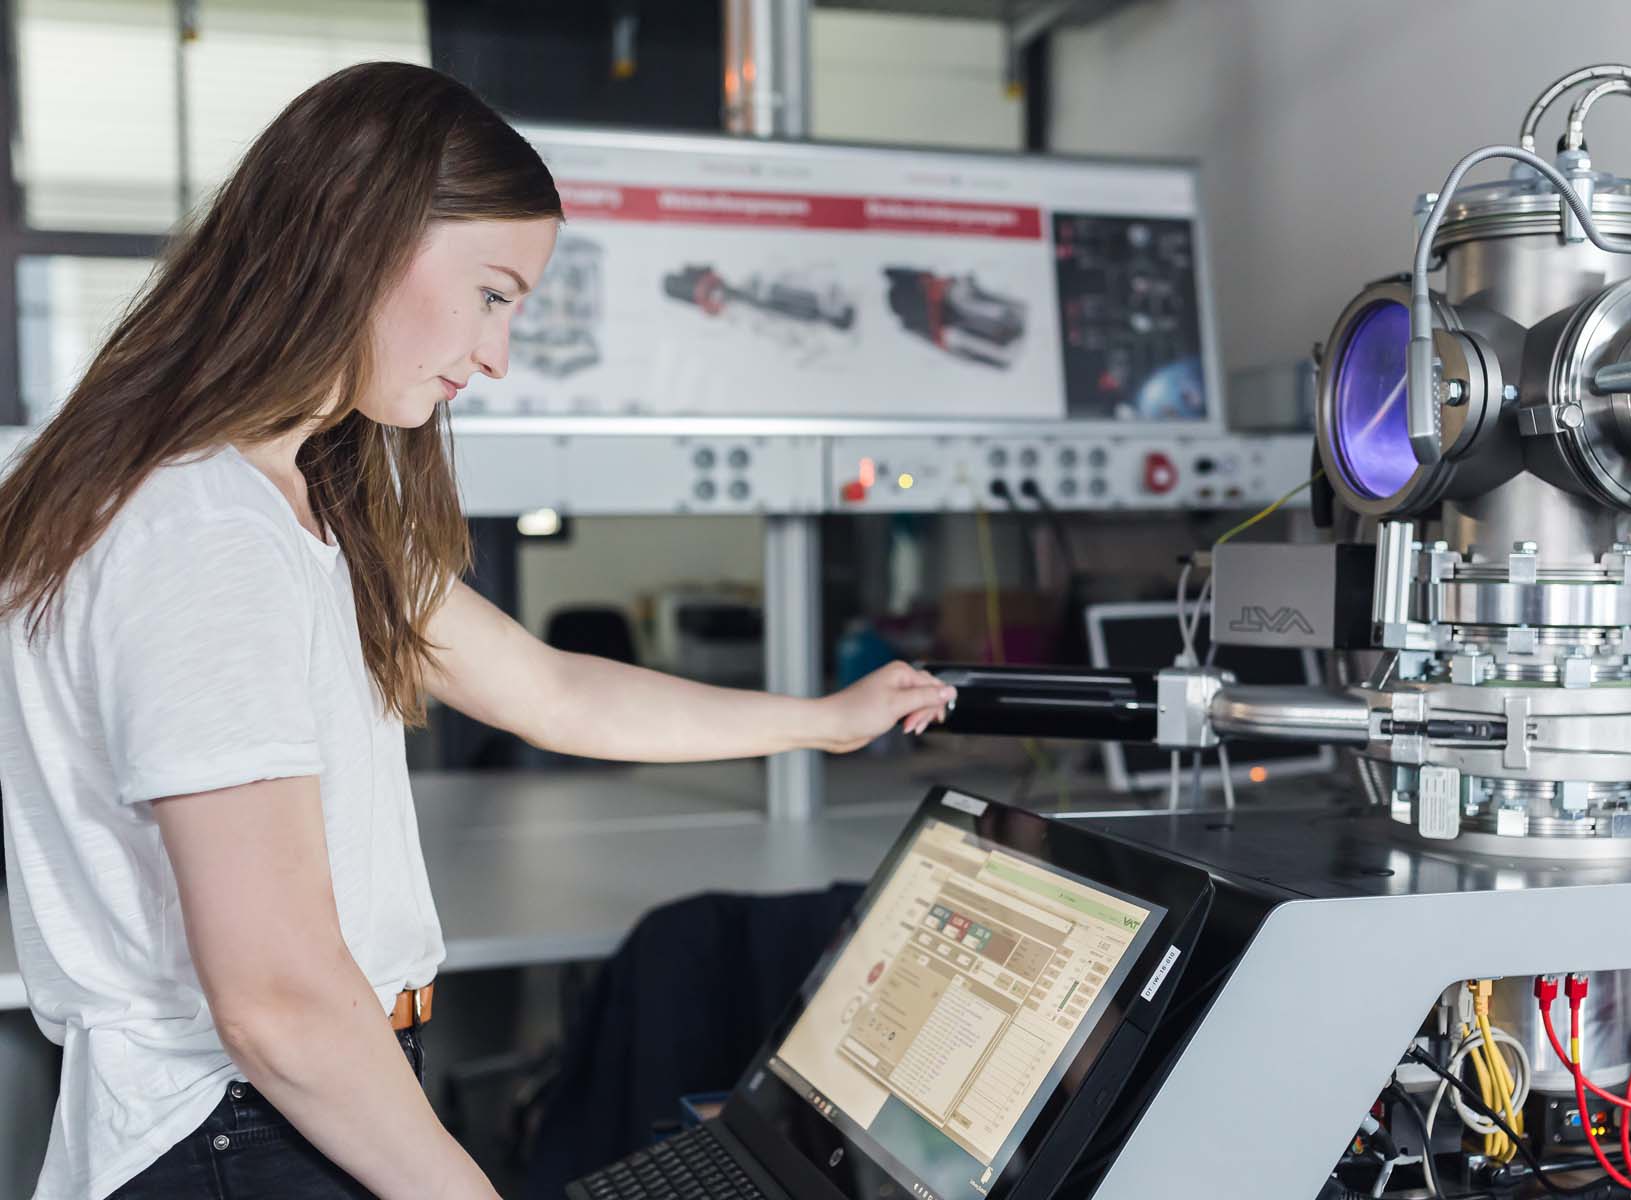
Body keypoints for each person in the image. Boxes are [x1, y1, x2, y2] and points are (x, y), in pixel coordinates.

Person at [0, 62, 955, 1200]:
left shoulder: (289, 501)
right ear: (361, 236)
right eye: (493, 295)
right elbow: (277, 1001)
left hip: (286, 1109)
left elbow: (552, 691)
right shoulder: (206, 533)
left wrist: (825, 720)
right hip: (246, 1124)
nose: (497, 354)